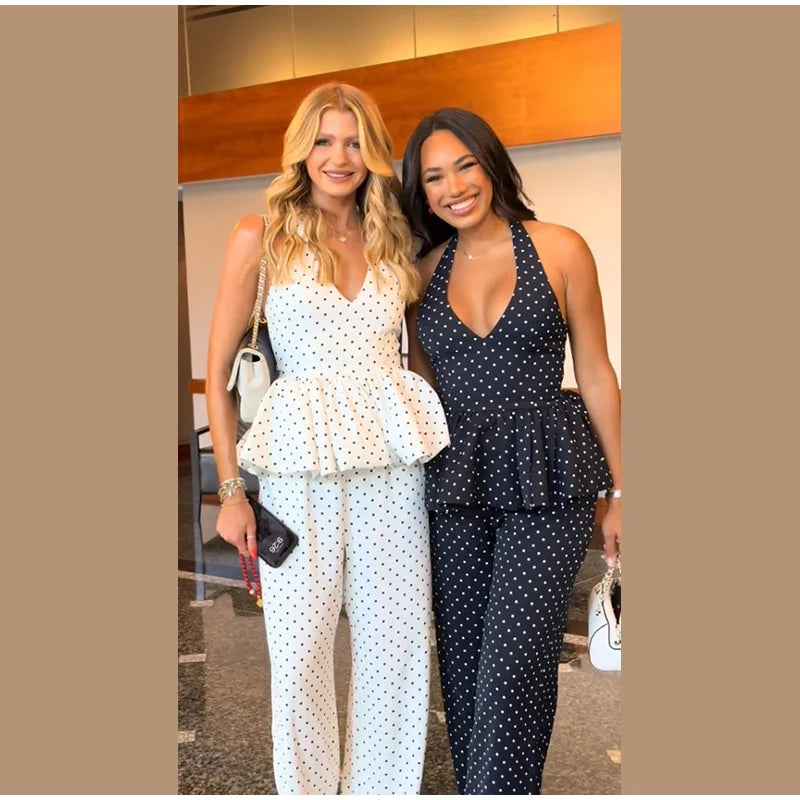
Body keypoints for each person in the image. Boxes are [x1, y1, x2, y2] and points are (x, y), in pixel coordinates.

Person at [205, 83, 450, 795]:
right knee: (301, 652)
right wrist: (230, 492)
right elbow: (218, 371)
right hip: (297, 471)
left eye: (352, 141)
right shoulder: (263, 235)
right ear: (301, 150)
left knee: (397, 649)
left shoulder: (395, 236)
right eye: (323, 140)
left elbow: (418, 356)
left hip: (391, 473)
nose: (338, 157)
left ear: (372, 151)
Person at [401, 107, 622, 795]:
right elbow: (420, 394)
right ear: (422, 191)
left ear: (491, 164)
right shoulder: (422, 273)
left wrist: (624, 490)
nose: (453, 186)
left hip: (548, 473)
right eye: (434, 176)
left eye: (465, 164)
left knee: (512, 665)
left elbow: (595, 372)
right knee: (464, 670)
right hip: (455, 483)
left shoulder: (559, 248)